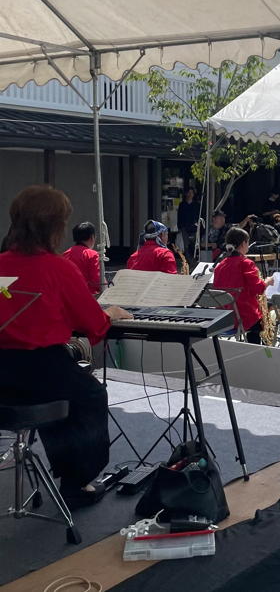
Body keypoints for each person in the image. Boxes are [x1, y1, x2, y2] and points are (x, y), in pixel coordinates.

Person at [0, 185, 131, 509]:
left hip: (3, 378)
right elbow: (93, 324)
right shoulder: (58, 268)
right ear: (54, 228)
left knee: (66, 388)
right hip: (42, 371)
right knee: (89, 397)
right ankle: (76, 482)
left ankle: (65, 472)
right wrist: (110, 313)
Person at [213, 227, 274, 344]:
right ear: (243, 243)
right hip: (243, 316)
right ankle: (256, 348)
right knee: (262, 320)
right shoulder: (246, 264)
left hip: (224, 316)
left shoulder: (220, 265)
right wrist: (268, 281)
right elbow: (258, 288)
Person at [63, 222, 101, 295]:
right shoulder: (92, 255)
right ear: (92, 237)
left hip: (67, 294)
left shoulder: (65, 254)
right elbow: (97, 282)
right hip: (87, 295)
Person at [177, 188, 200, 259]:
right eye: (189, 193)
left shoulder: (197, 204)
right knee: (186, 244)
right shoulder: (182, 204)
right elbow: (179, 216)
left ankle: (194, 259)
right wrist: (179, 227)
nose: (190, 194)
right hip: (184, 226)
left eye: (192, 193)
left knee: (194, 244)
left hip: (194, 227)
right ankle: (187, 259)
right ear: (186, 194)